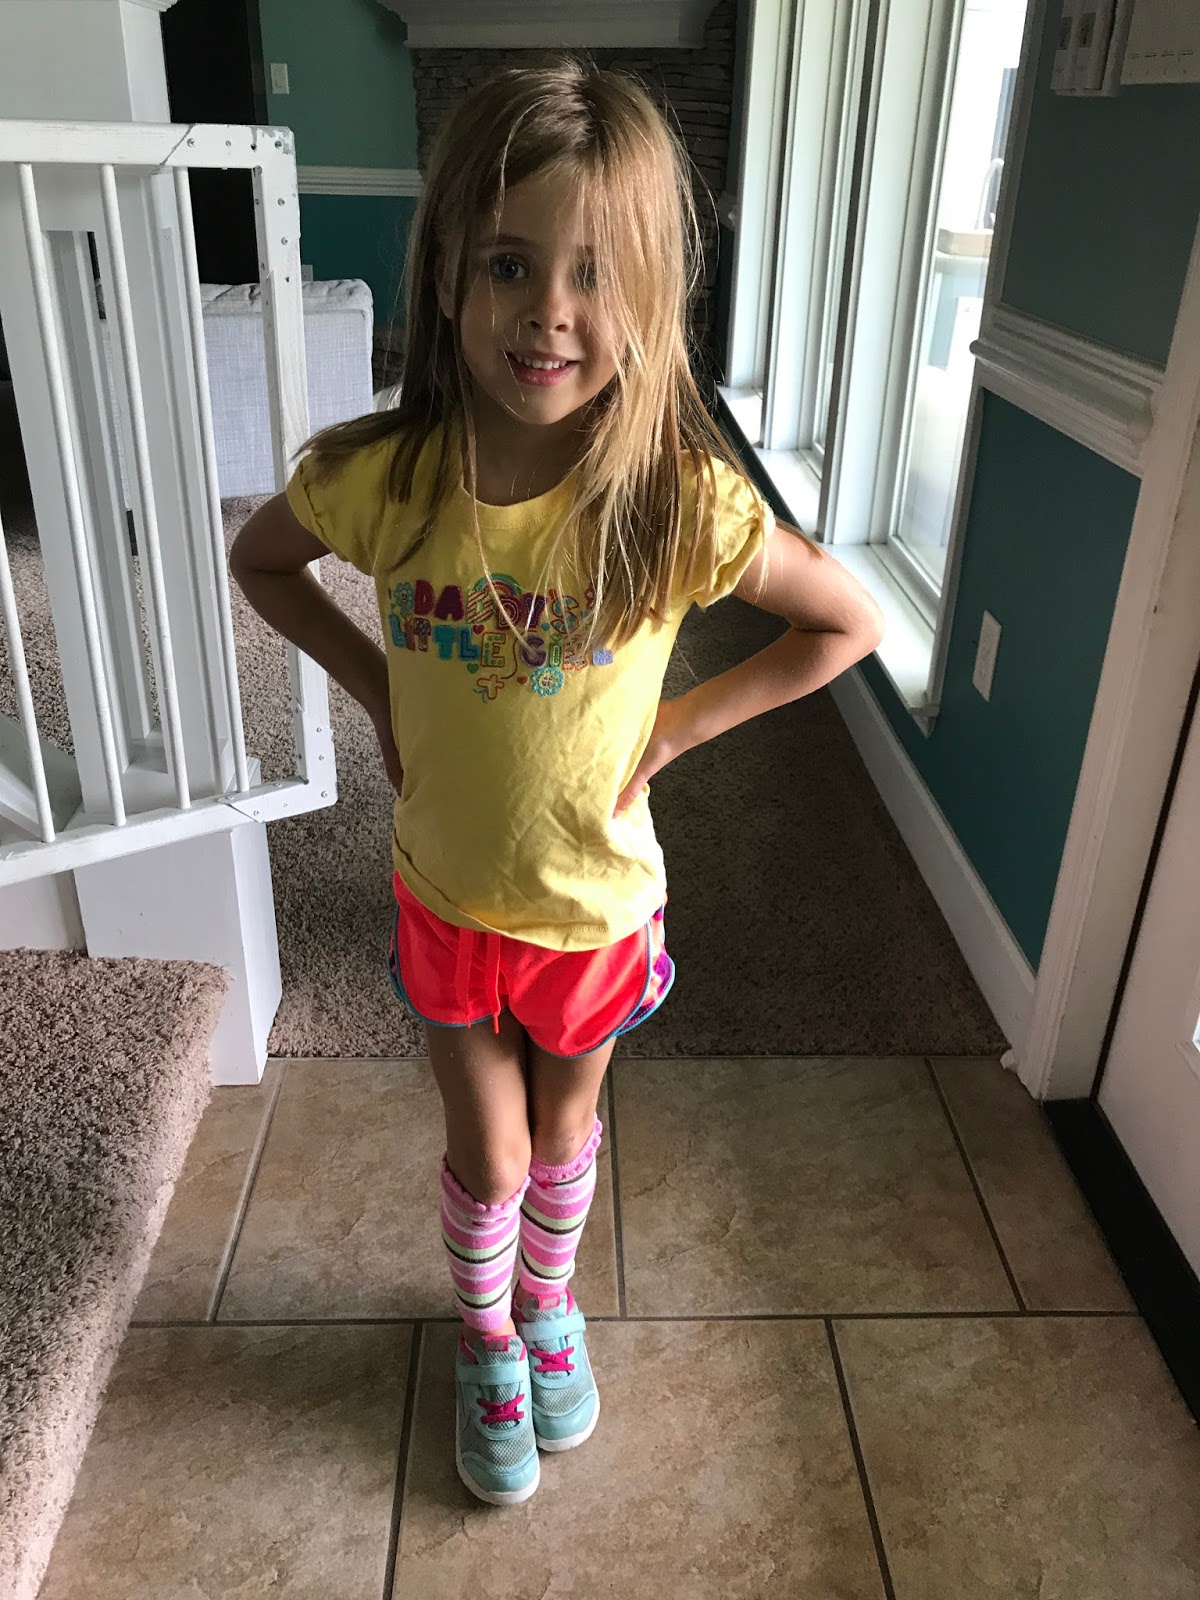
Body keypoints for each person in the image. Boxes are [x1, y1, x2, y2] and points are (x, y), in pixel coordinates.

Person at [230, 58, 883, 1507]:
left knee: (569, 1133)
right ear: (447, 274)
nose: (550, 312)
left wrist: (676, 731)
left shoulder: (674, 499)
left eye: (596, 273)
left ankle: (548, 1307)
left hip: (596, 909)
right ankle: (485, 1342)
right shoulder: (387, 478)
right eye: (511, 264)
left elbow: (846, 623)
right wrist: (375, 683)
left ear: (648, 300)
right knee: (492, 1150)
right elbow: (261, 561)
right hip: (447, 896)